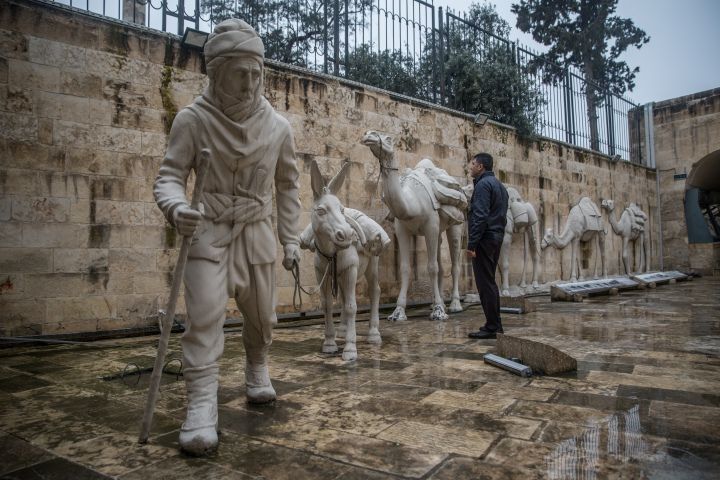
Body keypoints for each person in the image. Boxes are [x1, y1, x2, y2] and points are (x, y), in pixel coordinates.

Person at [153, 19, 302, 455]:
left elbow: (288, 185)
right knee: (204, 318)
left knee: (262, 317)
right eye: (242, 72)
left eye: (257, 72)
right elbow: (169, 177)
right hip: (208, 231)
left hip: (256, 231)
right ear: (217, 72)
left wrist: (290, 238)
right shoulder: (192, 120)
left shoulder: (277, 127)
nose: (251, 81)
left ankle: (257, 366)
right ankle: (201, 404)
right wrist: (177, 207)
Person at [466, 153, 508, 339]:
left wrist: (472, 244)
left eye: (473, 163)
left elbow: (480, 216)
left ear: (481, 166)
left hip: (484, 238)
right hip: (496, 237)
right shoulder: (500, 186)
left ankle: (492, 326)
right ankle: (494, 324)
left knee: (485, 283)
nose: (470, 166)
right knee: (490, 282)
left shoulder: (483, 185)